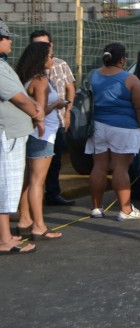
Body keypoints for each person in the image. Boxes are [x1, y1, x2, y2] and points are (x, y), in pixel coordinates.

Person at [86, 42, 140, 221]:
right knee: (121, 167)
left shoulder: (93, 76)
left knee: (99, 166)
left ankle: (96, 207)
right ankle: (125, 210)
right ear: (122, 59)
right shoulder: (130, 79)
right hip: (124, 128)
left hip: (98, 126)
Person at [15, 41, 66, 240]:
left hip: (31, 134)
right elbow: (40, 111)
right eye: (50, 55)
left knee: (29, 180)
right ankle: (39, 225)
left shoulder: (25, 78)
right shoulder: (41, 80)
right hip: (42, 134)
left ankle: (25, 219)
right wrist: (57, 104)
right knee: (38, 182)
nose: (52, 59)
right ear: (41, 58)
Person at [0, 20, 43, 254]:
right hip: (7, 133)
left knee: (9, 185)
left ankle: (6, 235)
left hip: (12, 132)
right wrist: (37, 112)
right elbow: (20, 98)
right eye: (6, 38)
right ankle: (4, 240)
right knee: (5, 186)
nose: (10, 42)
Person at [30, 30, 76, 207]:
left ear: (51, 45)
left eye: (45, 44)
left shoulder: (60, 64)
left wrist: (67, 111)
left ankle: (53, 193)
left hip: (56, 120)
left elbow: (70, 88)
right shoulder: (31, 69)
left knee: (55, 159)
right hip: (37, 123)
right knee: (36, 162)